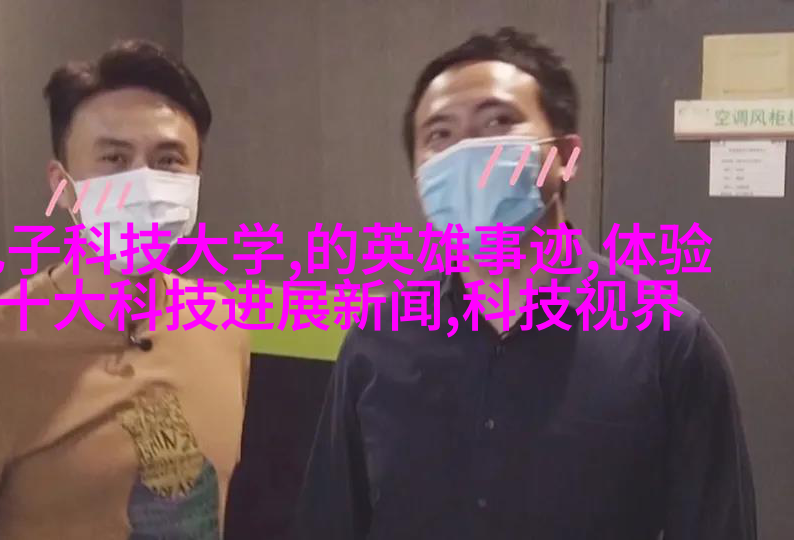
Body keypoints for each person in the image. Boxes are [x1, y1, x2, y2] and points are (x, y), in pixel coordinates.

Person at [296, 27, 755, 539]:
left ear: (566, 158)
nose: (467, 153)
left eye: (498, 122)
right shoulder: (376, 342)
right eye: (439, 135)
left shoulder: (669, 344)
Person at [0, 40, 250, 540]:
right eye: (114, 158)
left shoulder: (223, 326)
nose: (144, 183)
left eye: (169, 160)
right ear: (62, 187)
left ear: (196, 180)